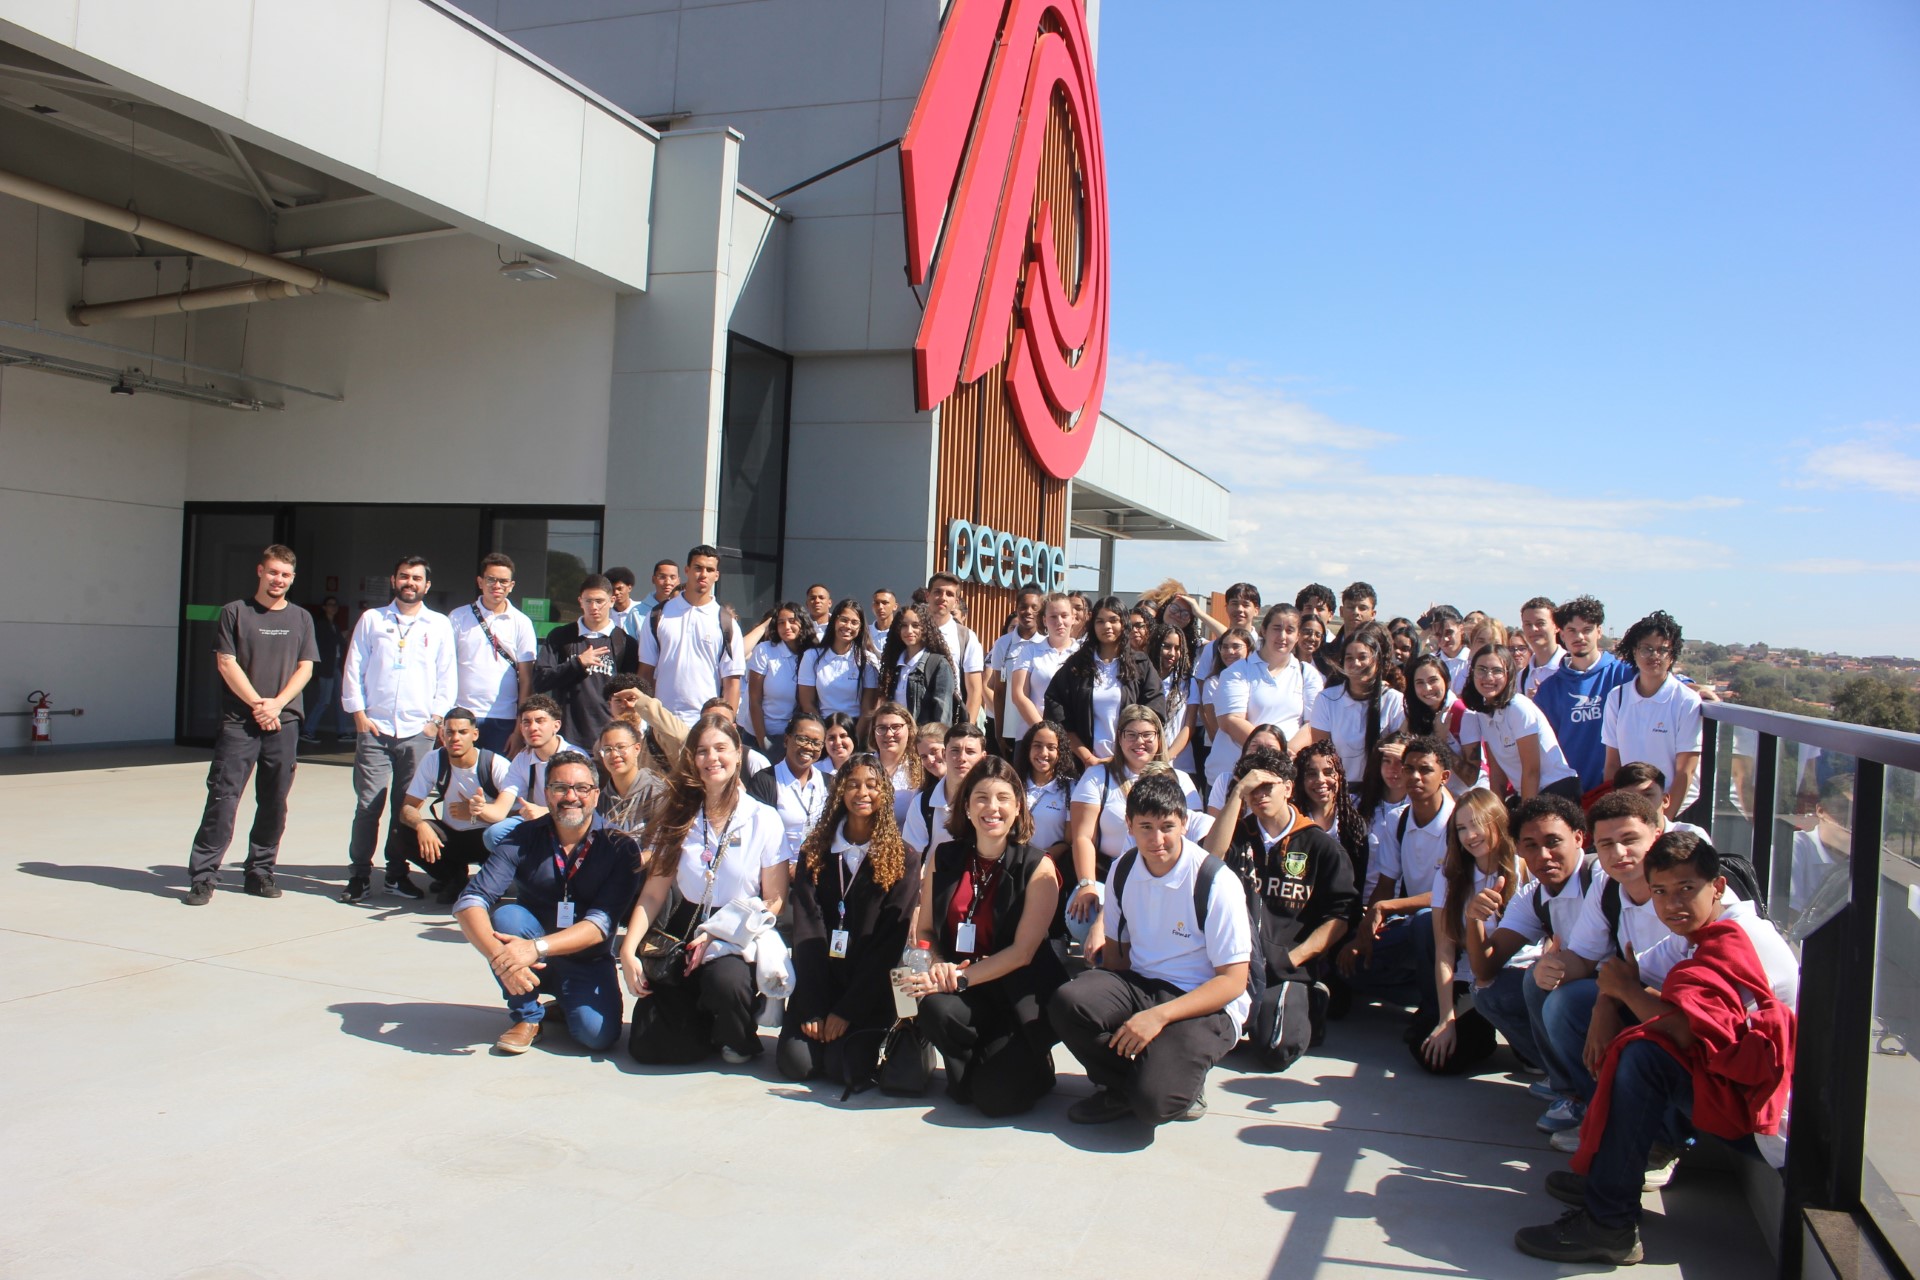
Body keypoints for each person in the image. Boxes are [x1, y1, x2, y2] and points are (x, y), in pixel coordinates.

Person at [1513, 833, 1796, 1266]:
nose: (1672, 904)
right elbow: (1622, 970)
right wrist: (1606, 1005)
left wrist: (1624, 993)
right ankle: (1612, 1176)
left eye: (1686, 889)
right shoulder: (1696, 932)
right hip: (1739, 1093)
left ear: (1717, 887)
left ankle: (1609, 1223)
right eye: (1660, 892)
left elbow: (1685, 1033)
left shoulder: (1741, 938)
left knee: (1644, 1055)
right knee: (1627, 1034)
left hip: (1770, 1125)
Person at [1049, 772, 1253, 1126]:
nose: (1157, 839)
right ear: (1129, 826)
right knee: (1069, 1001)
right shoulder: (1123, 869)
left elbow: (1232, 982)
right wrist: (1120, 1010)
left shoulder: (1216, 881)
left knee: (1155, 1104)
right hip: (1143, 983)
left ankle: (1171, 1080)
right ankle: (1123, 1083)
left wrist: (1158, 1017)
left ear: (1184, 824)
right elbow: (1116, 957)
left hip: (1203, 1001)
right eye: (1145, 827)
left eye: (1167, 826)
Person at [620, 714, 791, 1064]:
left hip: (738, 927)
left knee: (726, 983)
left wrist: (717, 933)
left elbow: (774, 900)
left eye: (720, 748)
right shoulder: (680, 814)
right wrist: (628, 949)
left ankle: (738, 1033)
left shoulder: (763, 818)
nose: (712, 758)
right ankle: (704, 1023)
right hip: (684, 925)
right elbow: (653, 893)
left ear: (738, 753)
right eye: (702, 751)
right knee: (650, 1048)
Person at [905, 756, 1068, 1113]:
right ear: (966, 806)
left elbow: (1023, 953)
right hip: (967, 990)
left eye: (1002, 798)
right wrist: (936, 963)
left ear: (1018, 807)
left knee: (995, 1099)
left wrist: (959, 978)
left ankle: (1034, 1064)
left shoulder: (1038, 867)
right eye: (981, 798)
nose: (992, 808)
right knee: (933, 1008)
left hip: (1016, 995)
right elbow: (926, 928)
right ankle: (971, 1069)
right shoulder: (944, 857)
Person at [453, 750, 641, 1054]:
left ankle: (567, 1001)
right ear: (546, 793)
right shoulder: (521, 837)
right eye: (560, 788)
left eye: (581, 788)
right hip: (526, 946)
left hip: (585, 957)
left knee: (598, 1037)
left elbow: (599, 926)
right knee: (507, 917)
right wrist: (500, 958)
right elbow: (469, 902)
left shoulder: (619, 847)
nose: (571, 797)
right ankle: (527, 1016)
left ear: (595, 795)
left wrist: (536, 948)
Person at [1203, 748, 1356, 1070]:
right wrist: (1237, 795)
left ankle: (1312, 999)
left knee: (1276, 1049)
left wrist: (1292, 959)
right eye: (1251, 789)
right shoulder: (1237, 833)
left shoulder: (1320, 845)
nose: (1259, 795)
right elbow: (1210, 861)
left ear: (1288, 787)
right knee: (1206, 1034)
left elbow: (1340, 917)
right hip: (1234, 962)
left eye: (1267, 787)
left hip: (1284, 966)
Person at [185, 543, 318, 905]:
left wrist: (276, 704)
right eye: (273, 572)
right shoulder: (235, 612)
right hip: (239, 724)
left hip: (284, 722)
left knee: (274, 801)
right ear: (260, 571)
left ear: (292, 578)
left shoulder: (301, 618)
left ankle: (259, 871)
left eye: (285, 575)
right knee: (223, 798)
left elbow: (305, 667)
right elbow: (226, 663)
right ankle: (204, 876)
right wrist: (259, 704)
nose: (278, 580)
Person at [780, 754, 922, 1084]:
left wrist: (847, 1011)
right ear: (840, 791)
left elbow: (888, 944)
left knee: (843, 1068)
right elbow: (807, 929)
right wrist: (814, 1006)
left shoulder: (903, 858)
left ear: (885, 793)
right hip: (820, 980)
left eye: (872, 785)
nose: (863, 793)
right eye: (853, 784)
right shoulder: (815, 850)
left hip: (867, 989)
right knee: (797, 1064)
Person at [339, 556, 456, 903]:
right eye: (404, 576)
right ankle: (359, 875)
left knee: (406, 807)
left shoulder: (438, 624)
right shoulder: (373, 619)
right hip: (375, 729)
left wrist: (435, 722)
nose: (410, 582)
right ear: (394, 580)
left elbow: (447, 676)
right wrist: (359, 715)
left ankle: (395, 873)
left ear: (427, 585)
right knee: (368, 805)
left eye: (417, 578)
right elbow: (354, 666)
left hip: (417, 731)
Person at [1470, 792, 1595, 1107]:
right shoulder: (1534, 895)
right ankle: (1566, 1084)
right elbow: (1485, 969)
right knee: (1490, 991)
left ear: (1579, 838)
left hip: (1620, 987)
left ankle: (1588, 1097)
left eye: (1553, 842)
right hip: (1577, 982)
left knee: (1555, 992)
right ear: (1519, 850)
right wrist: (1474, 920)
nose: (1543, 855)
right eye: (1531, 846)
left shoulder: (1602, 879)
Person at [1063, 705, 1203, 945]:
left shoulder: (1181, 779)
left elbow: (1192, 835)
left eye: (1147, 735)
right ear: (1120, 738)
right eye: (1132, 735)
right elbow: (1082, 836)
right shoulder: (1098, 776)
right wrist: (1087, 884)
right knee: (1082, 920)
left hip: (1167, 874)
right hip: (1110, 872)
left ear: (1159, 738)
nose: (1140, 742)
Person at [1413, 788, 1524, 1074]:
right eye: (1461, 828)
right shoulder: (1450, 875)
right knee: (1428, 1051)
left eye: (1477, 824)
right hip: (1471, 980)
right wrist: (1446, 1019)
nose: (1470, 835)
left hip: (1516, 977)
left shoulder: (1522, 867)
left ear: (1497, 821)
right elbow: (1445, 952)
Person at [1340, 736, 1455, 1008]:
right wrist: (1366, 930)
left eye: (1425, 769)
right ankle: (1437, 992)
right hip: (1408, 923)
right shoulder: (1398, 819)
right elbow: (1386, 883)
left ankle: (1435, 1009)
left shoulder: (1458, 822)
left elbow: (1451, 896)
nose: (1414, 776)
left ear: (1444, 777)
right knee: (1348, 965)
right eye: (1409, 769)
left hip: (1452, 925)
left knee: (1426, 921)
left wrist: (1385, 907)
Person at [390, 707, 513, 903]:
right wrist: (421, 826)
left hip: (487, 840)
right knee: (401, 832)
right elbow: (408, 808)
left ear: (475, 735)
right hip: (452, 837)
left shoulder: (496, 764)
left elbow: (515, 816)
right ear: (442, 735)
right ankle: (454, 879)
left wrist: (476, 812)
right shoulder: (433, 759)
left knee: (501, 835)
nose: (455, 738)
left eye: (462, 732)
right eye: (450, 732)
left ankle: (491, 880)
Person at [1531, 595, 1635, 801]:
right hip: (1569, 795)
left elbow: (1661, 683)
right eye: (1572, 630)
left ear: (1599, 631)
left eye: (1587, 629)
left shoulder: (1624, 674)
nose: (1580, 637)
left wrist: (1691, 686)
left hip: (1616, 792)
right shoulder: (1549, 690)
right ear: (1562, 634)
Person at [1603, 611, 1704, 818]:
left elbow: (1686, 771)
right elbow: (1612, 764)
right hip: (1631, 810)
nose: (1654, 656)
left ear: (1672, 655)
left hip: (1677, 809)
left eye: (1663, 650)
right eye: (1646, 649)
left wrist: (1663, 822)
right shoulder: (1617, 697)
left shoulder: (1686, 701)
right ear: (1634, 651)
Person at [1046, 596, 1167, 769]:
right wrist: (1087, 757)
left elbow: (1155, 710)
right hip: (1085, 765)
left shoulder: (1140, 664)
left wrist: (1127, 754)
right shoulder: (1077, 665)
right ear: (1093, 625)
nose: (1107, 626)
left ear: (1124, 623)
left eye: (1113, 620)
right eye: (1100, 621)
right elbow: (1057, 711)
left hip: (1131, 763)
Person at [1459, 643, 1582, 802]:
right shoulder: (1483, 713)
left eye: (1497, 671)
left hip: (1556, 791)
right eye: (1481, 669)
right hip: (1528, 793)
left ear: (1509, 674)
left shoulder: (1518, 707)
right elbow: (1497, 774)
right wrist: (1498, 813)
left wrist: (1525, 813)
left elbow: (1531, 771)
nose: (1488, 677)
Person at [1214, 603, 1323, 781]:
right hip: (1236, 773)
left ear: (1297, 636)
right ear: (1263, 630)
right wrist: (1273, 753)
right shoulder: (1237, 671)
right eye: (1276, 628)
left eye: (1290, 630)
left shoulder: (1308, 674)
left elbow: (1313, 724)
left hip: (1284, 774)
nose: (1282, 636)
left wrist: (1284, 755)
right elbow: (1230, 720)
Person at [639, 545, 745, 724]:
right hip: (662, 721)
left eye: (709, 570)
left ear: (716, 575)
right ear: (687, 570)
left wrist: (726, 725)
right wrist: (644, 720)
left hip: (706, 723)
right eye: (698, 568)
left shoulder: (727, 623)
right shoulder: (657, 615)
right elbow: (645, 672)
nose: (703, 574)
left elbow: (732, 683)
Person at [534, 574, 638, 749]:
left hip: (607, 740)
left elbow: (632, 695)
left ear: (612, 601)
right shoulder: (561, 636)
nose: (594, 607)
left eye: (599, 601)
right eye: (588, 601)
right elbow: (540, 681)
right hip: (566, 737)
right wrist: (577, 664)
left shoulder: (625, 643)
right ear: (580, 601)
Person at [475, 695, 584, 854]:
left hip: (570, 821)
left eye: (540, 721)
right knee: (494, 834)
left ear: (556, 725)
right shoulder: (522, 759)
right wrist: (480, 808)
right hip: (537, 821)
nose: (533, 728)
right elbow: (501, 810)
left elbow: (584, 807)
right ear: (521, 728)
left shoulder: (575, 757)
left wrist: (546, 813)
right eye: (526, 722)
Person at [452, 553, 537, 752]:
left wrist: (518, 730)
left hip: (504, 718)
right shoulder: (458, 617)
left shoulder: (521, 622)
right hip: (462, 714)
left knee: (498, 771)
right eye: (491, 579)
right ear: (480, 582)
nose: (497, 586)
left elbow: (526, 680)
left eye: (503, 581)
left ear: (511, 585)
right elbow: (444, 669)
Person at [1308, 623, 1406, 793]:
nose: (1356, 663)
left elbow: (1401, 748)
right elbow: (1322, 753)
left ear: (1377, 661)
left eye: (1362, 657)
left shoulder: (1394, 700)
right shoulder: (1327, 699)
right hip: (1339, 790)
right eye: (1349, 658)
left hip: (1381, 791)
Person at [746, 710, 831, 864]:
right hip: (776, 869)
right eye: (802, 739)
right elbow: (756, 836)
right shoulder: (765, 781)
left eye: (816, 743)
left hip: (818, 869)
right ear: (786, 740)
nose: (809, 747)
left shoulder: (829, 783)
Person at [1293, 740, 1371, 891]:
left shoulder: (1354, 825)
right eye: (1311, 774)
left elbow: (1357, 883)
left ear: (1339, 777)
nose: (1320, 780)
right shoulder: (1292, 822)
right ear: (1301, 780)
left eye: (1328, 772)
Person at [901, 723, 990, 854]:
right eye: (955, 750)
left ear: (983, 757)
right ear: (945, 754)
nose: (962, 758)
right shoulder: (922, 803)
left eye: (970, 752)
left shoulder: (995, 800)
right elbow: (912, 857)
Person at [1007, 593, 1079, 748]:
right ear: (1045, 620)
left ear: (1073, 618)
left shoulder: (1083, 653)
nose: (1059, 621)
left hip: (1073, 740)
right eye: (1053, 617)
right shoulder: (1029, 651)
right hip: (1032, 737)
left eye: (1064, 615)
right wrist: (1044, 732)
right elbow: (1018, 695)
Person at [745, 600, 813, 758]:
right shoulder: (765, 650)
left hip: (795, 737)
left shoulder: (811, 654)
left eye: (792, 621)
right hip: (760, 736)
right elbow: (754, 700)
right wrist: (763, 741)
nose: (786, 627)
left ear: (803, 623)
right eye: (781, 623)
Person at [1404, 652, 1478, 793]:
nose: (1427, 688)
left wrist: (1440, 743)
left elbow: (1471, 778)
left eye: (1433, 680)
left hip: (1467, 797)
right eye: (1420, 683)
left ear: (1447, 681)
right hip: (1433, 794)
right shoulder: (1415, 712)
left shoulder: (1464, 713)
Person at [879, 602, 958, 729]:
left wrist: (937, 738)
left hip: (923, 738)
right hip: (895, 735)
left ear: (925, 628)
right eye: (904, 625)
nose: (909, 631)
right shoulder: (893, 665)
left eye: (915, 625)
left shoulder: (938, 664)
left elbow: (943, 714)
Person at [797, 598, 876, 724]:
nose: (848, 626)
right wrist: (823, 732)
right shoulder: (811, 656)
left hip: (856, 727)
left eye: (854, 622)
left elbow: (867, 709)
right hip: (821, 724)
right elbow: (807, 704)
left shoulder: (868, 660)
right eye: (843, 620)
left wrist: (855, 735)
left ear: (860, 627)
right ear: (834, 621)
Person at [987, 586, 1045, 751]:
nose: (1028, 612)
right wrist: (999, 733)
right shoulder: (1003, 644)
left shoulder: (1047, 643)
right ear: (1016, 608)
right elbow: (1000, 690)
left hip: (1041, 728)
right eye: (1023, 607)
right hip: (1012, 730)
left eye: (1034, 607)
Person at [926, 572, 986, 725]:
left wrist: (966, 729)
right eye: (938, 592)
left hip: (949, 718)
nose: (943, 598)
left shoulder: (966, 637)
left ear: (956, 602)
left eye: (949, 594)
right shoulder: (913, 632)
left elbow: (974, 690)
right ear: (927, 596)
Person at [1014, 719, 1078, 863]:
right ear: (1028, 749)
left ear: (1060, 752)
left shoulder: (1071, 789)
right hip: (1013, 864)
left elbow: (1068, 842)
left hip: (1049, 866)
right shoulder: (1013, 784)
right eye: (1037, 746)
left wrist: (1034, 861)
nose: (1043, 753)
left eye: (1051, 747)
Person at [595, 718, 667, 836]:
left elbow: (663, 842)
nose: (614, 754)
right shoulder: (601, 800)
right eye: (607, 749)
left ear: (637, 749)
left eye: (621, 747)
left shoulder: (657, 792)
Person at [1611, 762, 1710, 842]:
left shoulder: (1693, 836)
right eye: (1628, 798)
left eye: (1647, 795)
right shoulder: (1609, 839)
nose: (1638, 803)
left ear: (1665, 800)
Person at [1206, 724, 1286, 817]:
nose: (1261, 752)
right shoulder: (1225, 780)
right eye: (1254, 745)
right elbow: (1214, 822)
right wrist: (1239, 790)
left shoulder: (1285, 785)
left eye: (1271, 748)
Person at [300, 594, 348, 743]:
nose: (333, 607)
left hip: (335, 666)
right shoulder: (321, 625)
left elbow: (340, 642)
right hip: (326, 667)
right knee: (324, 701)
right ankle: (308, 730)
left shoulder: (334, 625)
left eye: (335, 605)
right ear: (324, 607)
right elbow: (326, 644)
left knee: (340, 701)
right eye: (330, 605)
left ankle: (342, 732)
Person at [867, 701, 923, 820]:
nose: (888, 734)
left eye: (896, 727)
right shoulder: (862, 766)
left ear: (909, 729)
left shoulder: (922, 768)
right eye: (881, 728)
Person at [618, 559, 681, 639]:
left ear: (679, 581)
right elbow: (627, 643)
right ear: (653, 579)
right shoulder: (637, 612)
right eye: (662, 577)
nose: (668, 582)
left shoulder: (685, 610)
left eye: (672, 577)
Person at [1517, 596, 1565, 698]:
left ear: (1556, 626)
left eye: (1540, 623)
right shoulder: (1522, 677)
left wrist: (1546, 700)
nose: (1533, 629)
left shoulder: (1571, 666)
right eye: (1528, 624)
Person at [869, 588, 899, 654]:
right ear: (872, 606)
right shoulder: (864, 633)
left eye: (885, 603)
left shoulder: (901, 632)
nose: (880, 607)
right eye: (876, 603)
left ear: (895, 606)